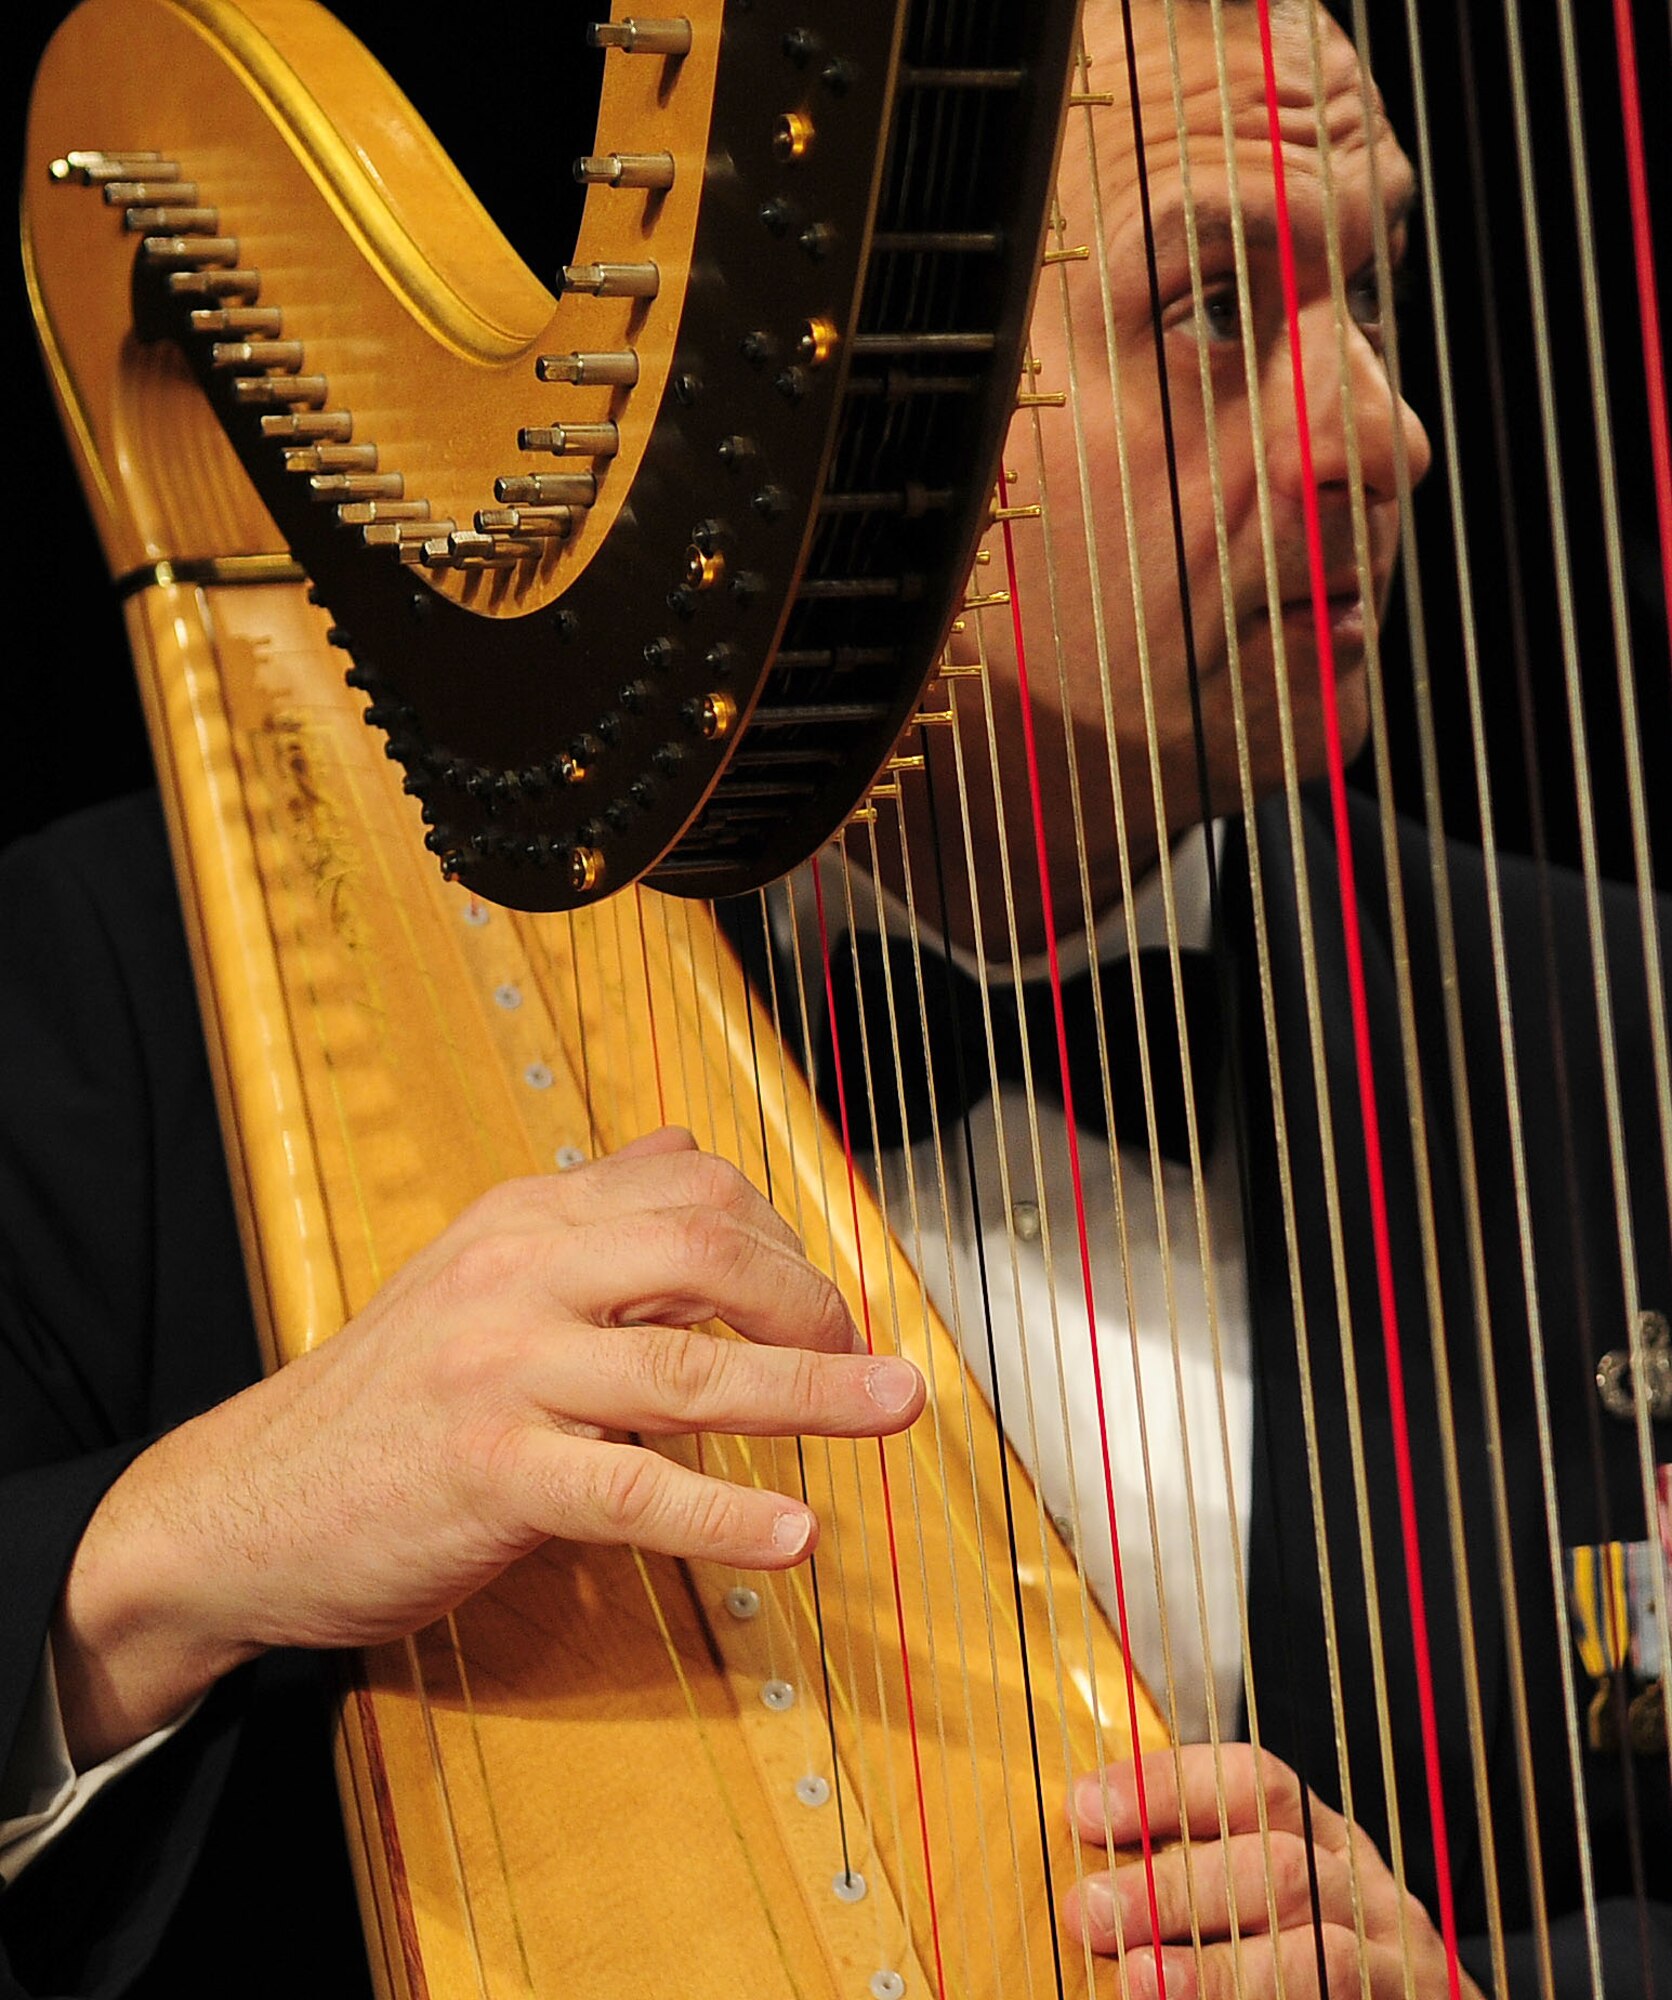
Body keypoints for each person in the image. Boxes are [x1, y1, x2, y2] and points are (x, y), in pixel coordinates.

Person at [2, 2, 1666, 1997]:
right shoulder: (123, 983)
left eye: (1367, 289)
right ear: (871, 421)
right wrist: (165, 1552)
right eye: (1208, 306)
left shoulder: (1609, 1031)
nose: (1373, 431)